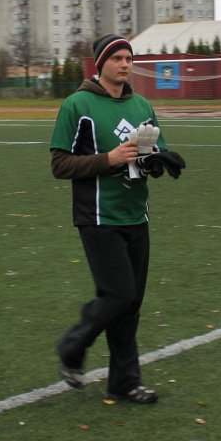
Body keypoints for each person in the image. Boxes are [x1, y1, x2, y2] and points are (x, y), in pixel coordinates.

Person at [49, 34, 186, 404]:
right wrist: (107, 160)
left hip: (136, 214)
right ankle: (72, 345)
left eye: (129, 58)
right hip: (97, 215)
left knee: (131, 302)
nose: (125, 64)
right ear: (101, 64)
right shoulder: (78, 105)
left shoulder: (142, 105)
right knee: (118, 295)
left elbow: (143, 159)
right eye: (117, 58)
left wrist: (154, 162)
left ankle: (124, 382)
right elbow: (59, 164)